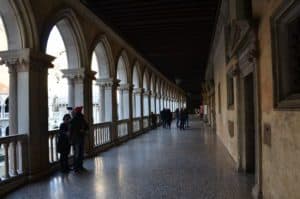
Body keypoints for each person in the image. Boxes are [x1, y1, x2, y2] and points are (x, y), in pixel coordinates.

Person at [70, 106, 89, 172]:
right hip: (80, 138)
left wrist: (70, 139)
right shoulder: (81, 118)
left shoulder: (74, 119)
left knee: (77, 154)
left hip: (76, 139)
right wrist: (83, 130)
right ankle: (79, 167)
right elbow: (87, 127)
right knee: (80, 153)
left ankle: (77, 167)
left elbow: (71, 130)